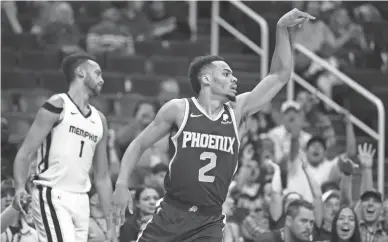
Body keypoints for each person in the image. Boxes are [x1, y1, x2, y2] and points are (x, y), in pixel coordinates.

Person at [113, 8, 315, 242]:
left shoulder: (237, 109)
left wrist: (281, 28)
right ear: (206, 79)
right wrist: (121, 183)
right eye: (227, 73)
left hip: (208, 222)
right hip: (172, 214)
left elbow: (280, 74)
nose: (235, 78)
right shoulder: (179, 109)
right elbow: (138, 144)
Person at [12, 53, 115, 242]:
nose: (102, 79)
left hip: (82, 199)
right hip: (52, 192)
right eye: (97, 73)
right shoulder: (58, 105)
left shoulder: (100, 120)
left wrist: (110, 223)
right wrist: (19, 187)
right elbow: (25, 152)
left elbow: (102, 176)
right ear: (81, 72)